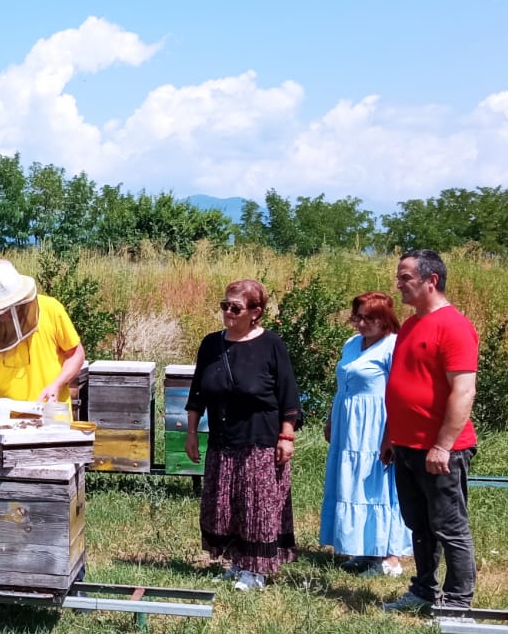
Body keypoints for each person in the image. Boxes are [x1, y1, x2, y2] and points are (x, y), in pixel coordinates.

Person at [184, 279, 302, 591]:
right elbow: (197, 393)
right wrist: (192, 432)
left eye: (235, 308)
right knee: (225, 506)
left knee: (256, 507)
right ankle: (237, 562)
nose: (228, 312)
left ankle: (256, 570)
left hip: (259, 440)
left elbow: (288, 394)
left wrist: (286, 436)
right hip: (222, 439)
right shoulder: (211, 344)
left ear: (255, 312)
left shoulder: (271, 344)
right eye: (224, 305)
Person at [379, 248, 480, 615]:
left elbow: (463, 391)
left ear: (431, 280)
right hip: (406, 445)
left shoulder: (454, 326)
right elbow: (403, 384)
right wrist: (390, 435)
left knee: (449, 526)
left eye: (405, 277)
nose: (398, 284)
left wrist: (442, 446)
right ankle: (423, 590)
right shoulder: (409, 326)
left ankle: (457, 602)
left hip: (440, 451)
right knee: (418, 525)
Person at [319, 292, 411, 577]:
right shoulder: (351, 344)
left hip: (375, 425)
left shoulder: (393, 346)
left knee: (376, 485)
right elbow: (343, 385)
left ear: (385, 319)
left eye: (368, 318)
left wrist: (391, 433)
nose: (360, 324)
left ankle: (389, 556)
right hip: (348, 424)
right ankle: (364, 549)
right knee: (353, 482)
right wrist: (331, 418)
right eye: (357, 317)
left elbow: (400, 392)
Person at [0, 259, 85, 417]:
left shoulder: (51, 309)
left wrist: (57, 384)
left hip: (52, 415)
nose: (3, 315)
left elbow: (76, 354)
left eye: (6, 308)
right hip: (8, 419)